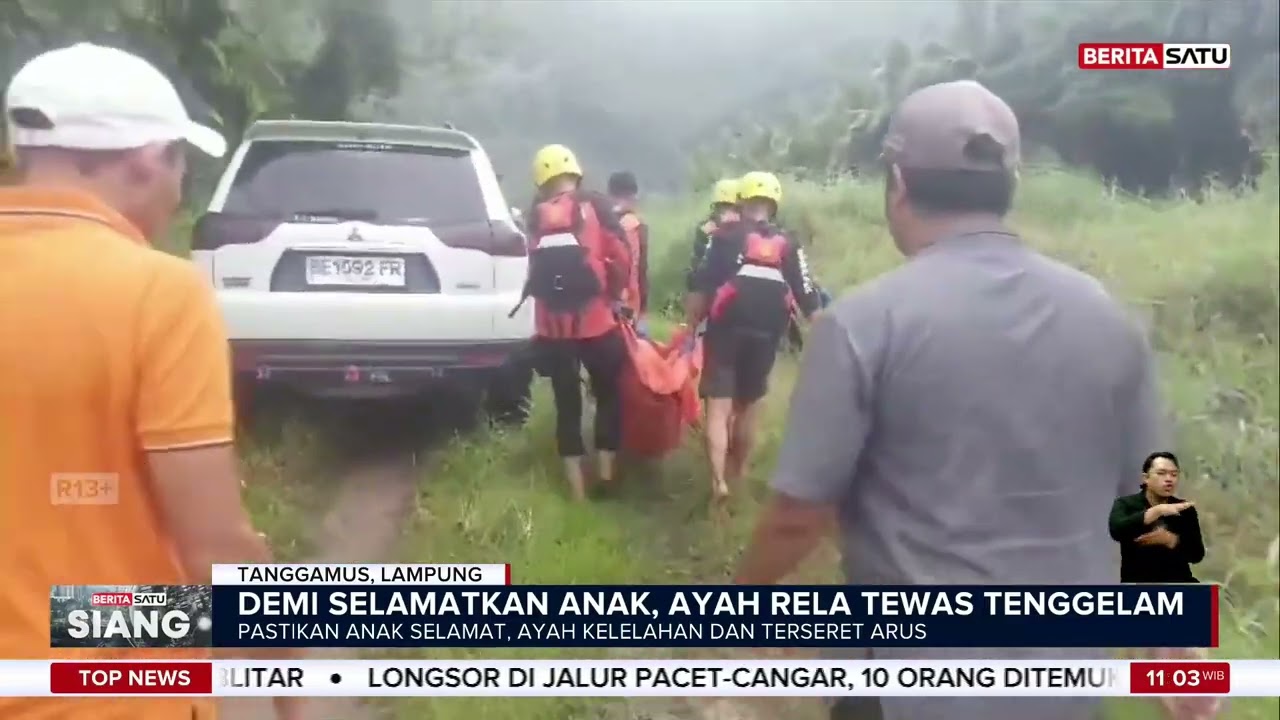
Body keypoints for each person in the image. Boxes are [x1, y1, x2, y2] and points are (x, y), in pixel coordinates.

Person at [734, 80, 1166, 720]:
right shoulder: (1110, 320)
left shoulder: (864, 324)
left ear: (898, 184)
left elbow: (800, 514)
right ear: (1011, 183)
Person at [0, 43, 305, 720]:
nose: (179, 186)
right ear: (145, 159)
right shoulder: (158, 295)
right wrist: (290, 694)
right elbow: (214, 548)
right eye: (180, 162)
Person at [686, 170, 820, 502]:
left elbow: (701, 286)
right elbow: (808, 296)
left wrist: (691, 328)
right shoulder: (789, 243)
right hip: (767, 332)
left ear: (741, 201)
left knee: (718, 409)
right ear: (774, 204)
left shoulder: (723, 236)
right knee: (748, 406)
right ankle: (740, 474)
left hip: (725, 329)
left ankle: (718, 483)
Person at [523, 143, 632, 500]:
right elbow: (621, 255)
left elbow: (534, 271)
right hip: (596, 321)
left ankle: (577, 492)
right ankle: (606, 474)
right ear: (575, 172)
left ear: (541, 180)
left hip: (553, 329)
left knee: (566, 405)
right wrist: (614, 294)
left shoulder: (534, 215)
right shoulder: (596, 205)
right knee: (609, 394)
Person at [1109, 451, 1205, 583]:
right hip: (1139, 585)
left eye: (1174, 474)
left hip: (1178, 585)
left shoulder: (1184, 509)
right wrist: (1157, 511)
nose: (1169, 479)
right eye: (1161, 473)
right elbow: (1117, 530)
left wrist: (1171, 540)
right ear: (1145, 478)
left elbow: (1197, 555)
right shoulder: (1126, 504)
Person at [685, 177, 743, 299]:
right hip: (711, 288)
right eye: (724, 207)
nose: (728, 212)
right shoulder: (706, 229)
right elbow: (698, 262)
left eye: (733, 208)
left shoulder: (746, 230)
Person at [607, 170, 649, 336]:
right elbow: (641, 271)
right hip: (631, 305)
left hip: (605, 307)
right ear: (633, 195)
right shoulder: (636, 225)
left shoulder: (600, 222)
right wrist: (643, 310)